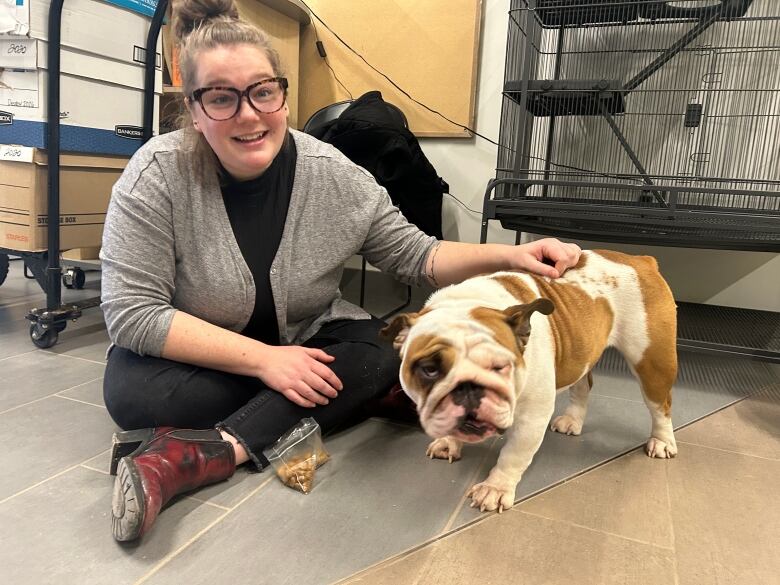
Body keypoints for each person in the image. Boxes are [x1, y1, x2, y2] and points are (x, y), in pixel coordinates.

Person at [100, 0, 582, 542]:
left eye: (263, 91)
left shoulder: (334, 174)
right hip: (211, 351)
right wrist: (265, 362)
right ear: (193, 107)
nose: (249, 114)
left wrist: (512, 256)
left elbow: (417, 255)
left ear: (282, 93)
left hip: (308, 338)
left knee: (379, 352)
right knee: (131, 391)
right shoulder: (155, 175)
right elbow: (132, 315)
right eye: (221, 98)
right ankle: (333, 401)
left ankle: (203, 453)